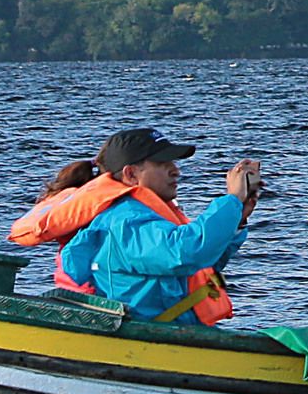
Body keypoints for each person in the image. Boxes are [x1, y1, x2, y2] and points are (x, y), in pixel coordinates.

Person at [23, 125, 259, 324]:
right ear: (131, 174)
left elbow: (199, 265)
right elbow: (185, 252)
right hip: (152, 339)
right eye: (162, 163)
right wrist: (232, 200)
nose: (175, 171)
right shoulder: (125, 221)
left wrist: (237, 220)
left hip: (169, 332)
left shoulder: (136, 214)